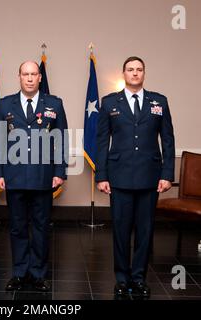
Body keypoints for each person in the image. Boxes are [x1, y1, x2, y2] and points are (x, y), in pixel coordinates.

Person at [95, 56, 175, 298]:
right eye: (130, 69)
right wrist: (101, 175)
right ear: (124, 73)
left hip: (150, 177)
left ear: (144, 73)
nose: (135, 73)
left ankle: (139, 277)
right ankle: (121, 278)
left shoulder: (158, 101)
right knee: (120, 230)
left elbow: (168, 140)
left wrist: (167, 174)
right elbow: (101, 141)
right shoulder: (110, 103)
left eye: (139, 69)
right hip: (118, 177)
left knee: (145, 230)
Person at [0, 61, 68, 292]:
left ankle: (37, 274)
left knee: (40, 227)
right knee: (17, 227)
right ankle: (18, 272)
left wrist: (60, 172)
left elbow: (61, 140)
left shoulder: (54, 103)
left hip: (42, 176)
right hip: (14, 176)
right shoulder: (6, 104)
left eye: (33, 74)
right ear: (19, 77)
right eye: (25, 74)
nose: (29, 78)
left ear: (40, 78)